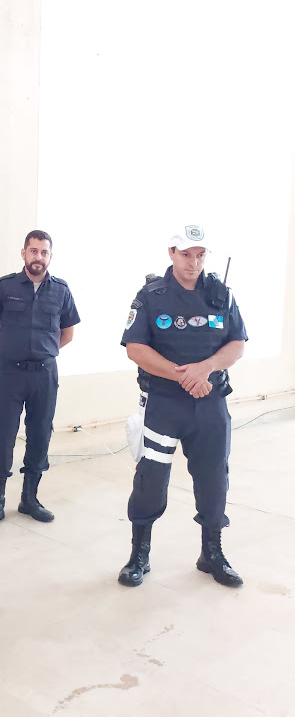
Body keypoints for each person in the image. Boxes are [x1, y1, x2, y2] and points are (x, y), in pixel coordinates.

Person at [118, 225, 247, 588]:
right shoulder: (151, 296)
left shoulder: (222, 295)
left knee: (213, 478)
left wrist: (206, 368)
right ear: (171, 253)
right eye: (186, 254)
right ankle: (139, 555)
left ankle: (212, 553)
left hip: (210, 404)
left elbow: (237, 343)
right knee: (150, 479)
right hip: (164, 404)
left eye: (200, 255)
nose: (194, 262)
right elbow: (135, 348)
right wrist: (184, 376)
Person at [0, 231, 80, 530]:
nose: (38, 257)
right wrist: (8, 351)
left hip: (45, 375)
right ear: (23, 253)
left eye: (44, 252)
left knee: (40, 434)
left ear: (50, 256)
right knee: (2, 434)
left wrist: (43, 352)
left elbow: (68, 333)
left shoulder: (61, 290)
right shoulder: (4, 286)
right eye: (33, 251)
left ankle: (29, 499)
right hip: (11, 373)